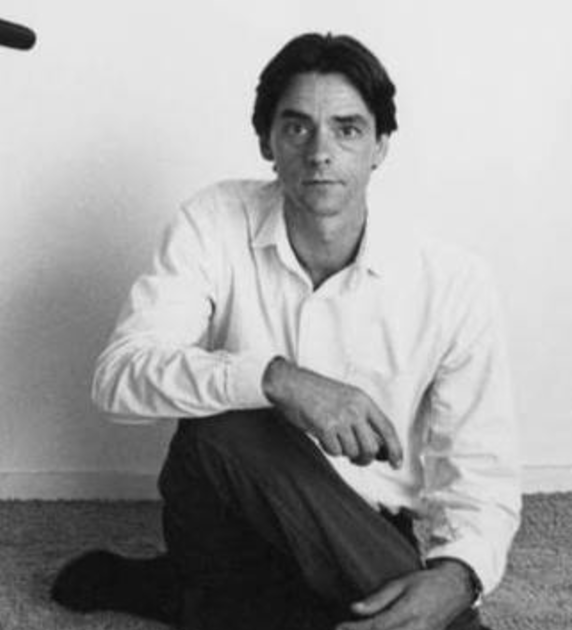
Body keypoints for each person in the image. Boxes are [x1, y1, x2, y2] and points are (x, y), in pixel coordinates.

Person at [50, 32, 519, 630]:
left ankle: (186, 596)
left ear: (380, 146)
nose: (321, 152)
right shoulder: (214, 220)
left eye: (348, 130)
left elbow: (481, 465)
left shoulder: (453, 281)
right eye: (297, 128)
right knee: (223, 422)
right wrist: (276, 380)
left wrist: (459, 576)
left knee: (339, 605)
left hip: (356, 532)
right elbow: (117, 379)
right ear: (266, 142)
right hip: (226, 515)